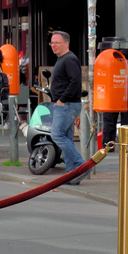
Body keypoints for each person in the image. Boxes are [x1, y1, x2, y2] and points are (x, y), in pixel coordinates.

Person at [47, 30, 85, 182]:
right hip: (66, 104)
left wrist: (61, 99)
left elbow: (75, 81)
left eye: (57, 42)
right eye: (52, 43)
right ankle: (72, 175)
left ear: (66, 43)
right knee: (66, 138)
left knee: (57, 135)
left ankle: (81, 165)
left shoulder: (69, 59)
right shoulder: (63, 59)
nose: (53, 45)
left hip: (67, 105)